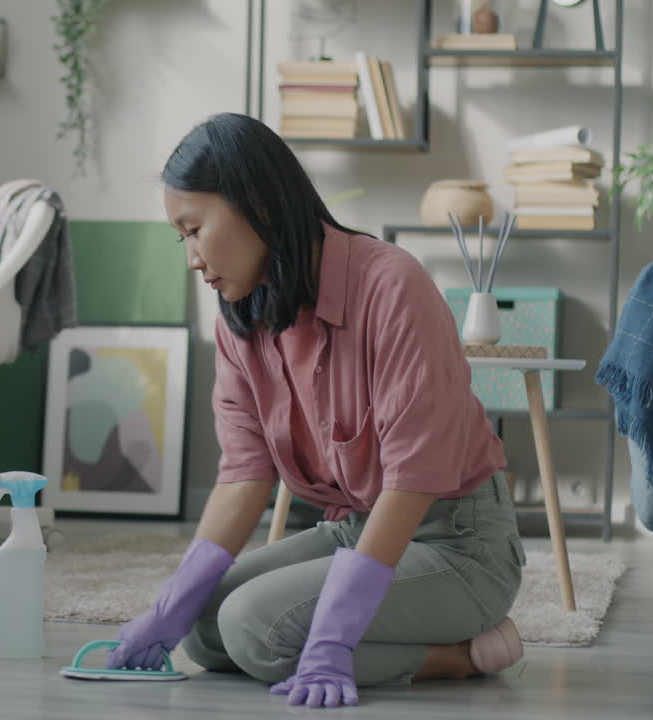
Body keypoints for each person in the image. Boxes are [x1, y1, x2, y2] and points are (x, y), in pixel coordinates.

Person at [106, 112, 527, 709]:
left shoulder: (390, 285)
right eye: (183, 238)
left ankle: (464, 655)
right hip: (359, 528)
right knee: (202, 627)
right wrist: (165, 611)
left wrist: (332, 637)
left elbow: (412, 480)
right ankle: (356, 629)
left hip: (459, 543)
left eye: (195, 229)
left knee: (254, 628)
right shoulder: (242, 320)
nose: (192, 257)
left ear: (258, 202)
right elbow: (244, 476)